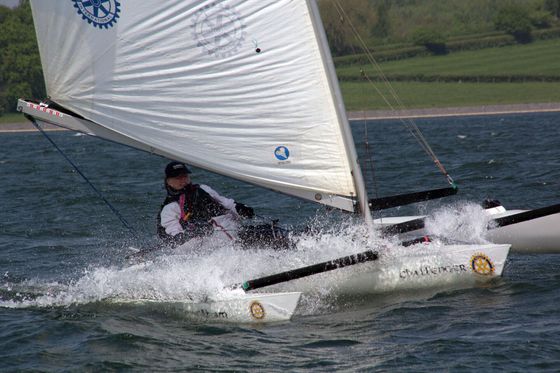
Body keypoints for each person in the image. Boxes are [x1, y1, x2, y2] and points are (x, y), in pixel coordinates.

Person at [157, 161, 255, 246]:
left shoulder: (203, 188)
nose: (183, 180)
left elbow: (225, 203)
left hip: (235, 229)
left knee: (266, 231)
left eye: (185, 176)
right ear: (168, 182)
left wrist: (239, 208)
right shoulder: (170, 207)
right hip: (216, 245)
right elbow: (176, 241)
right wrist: (193, 233)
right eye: (178, 178)